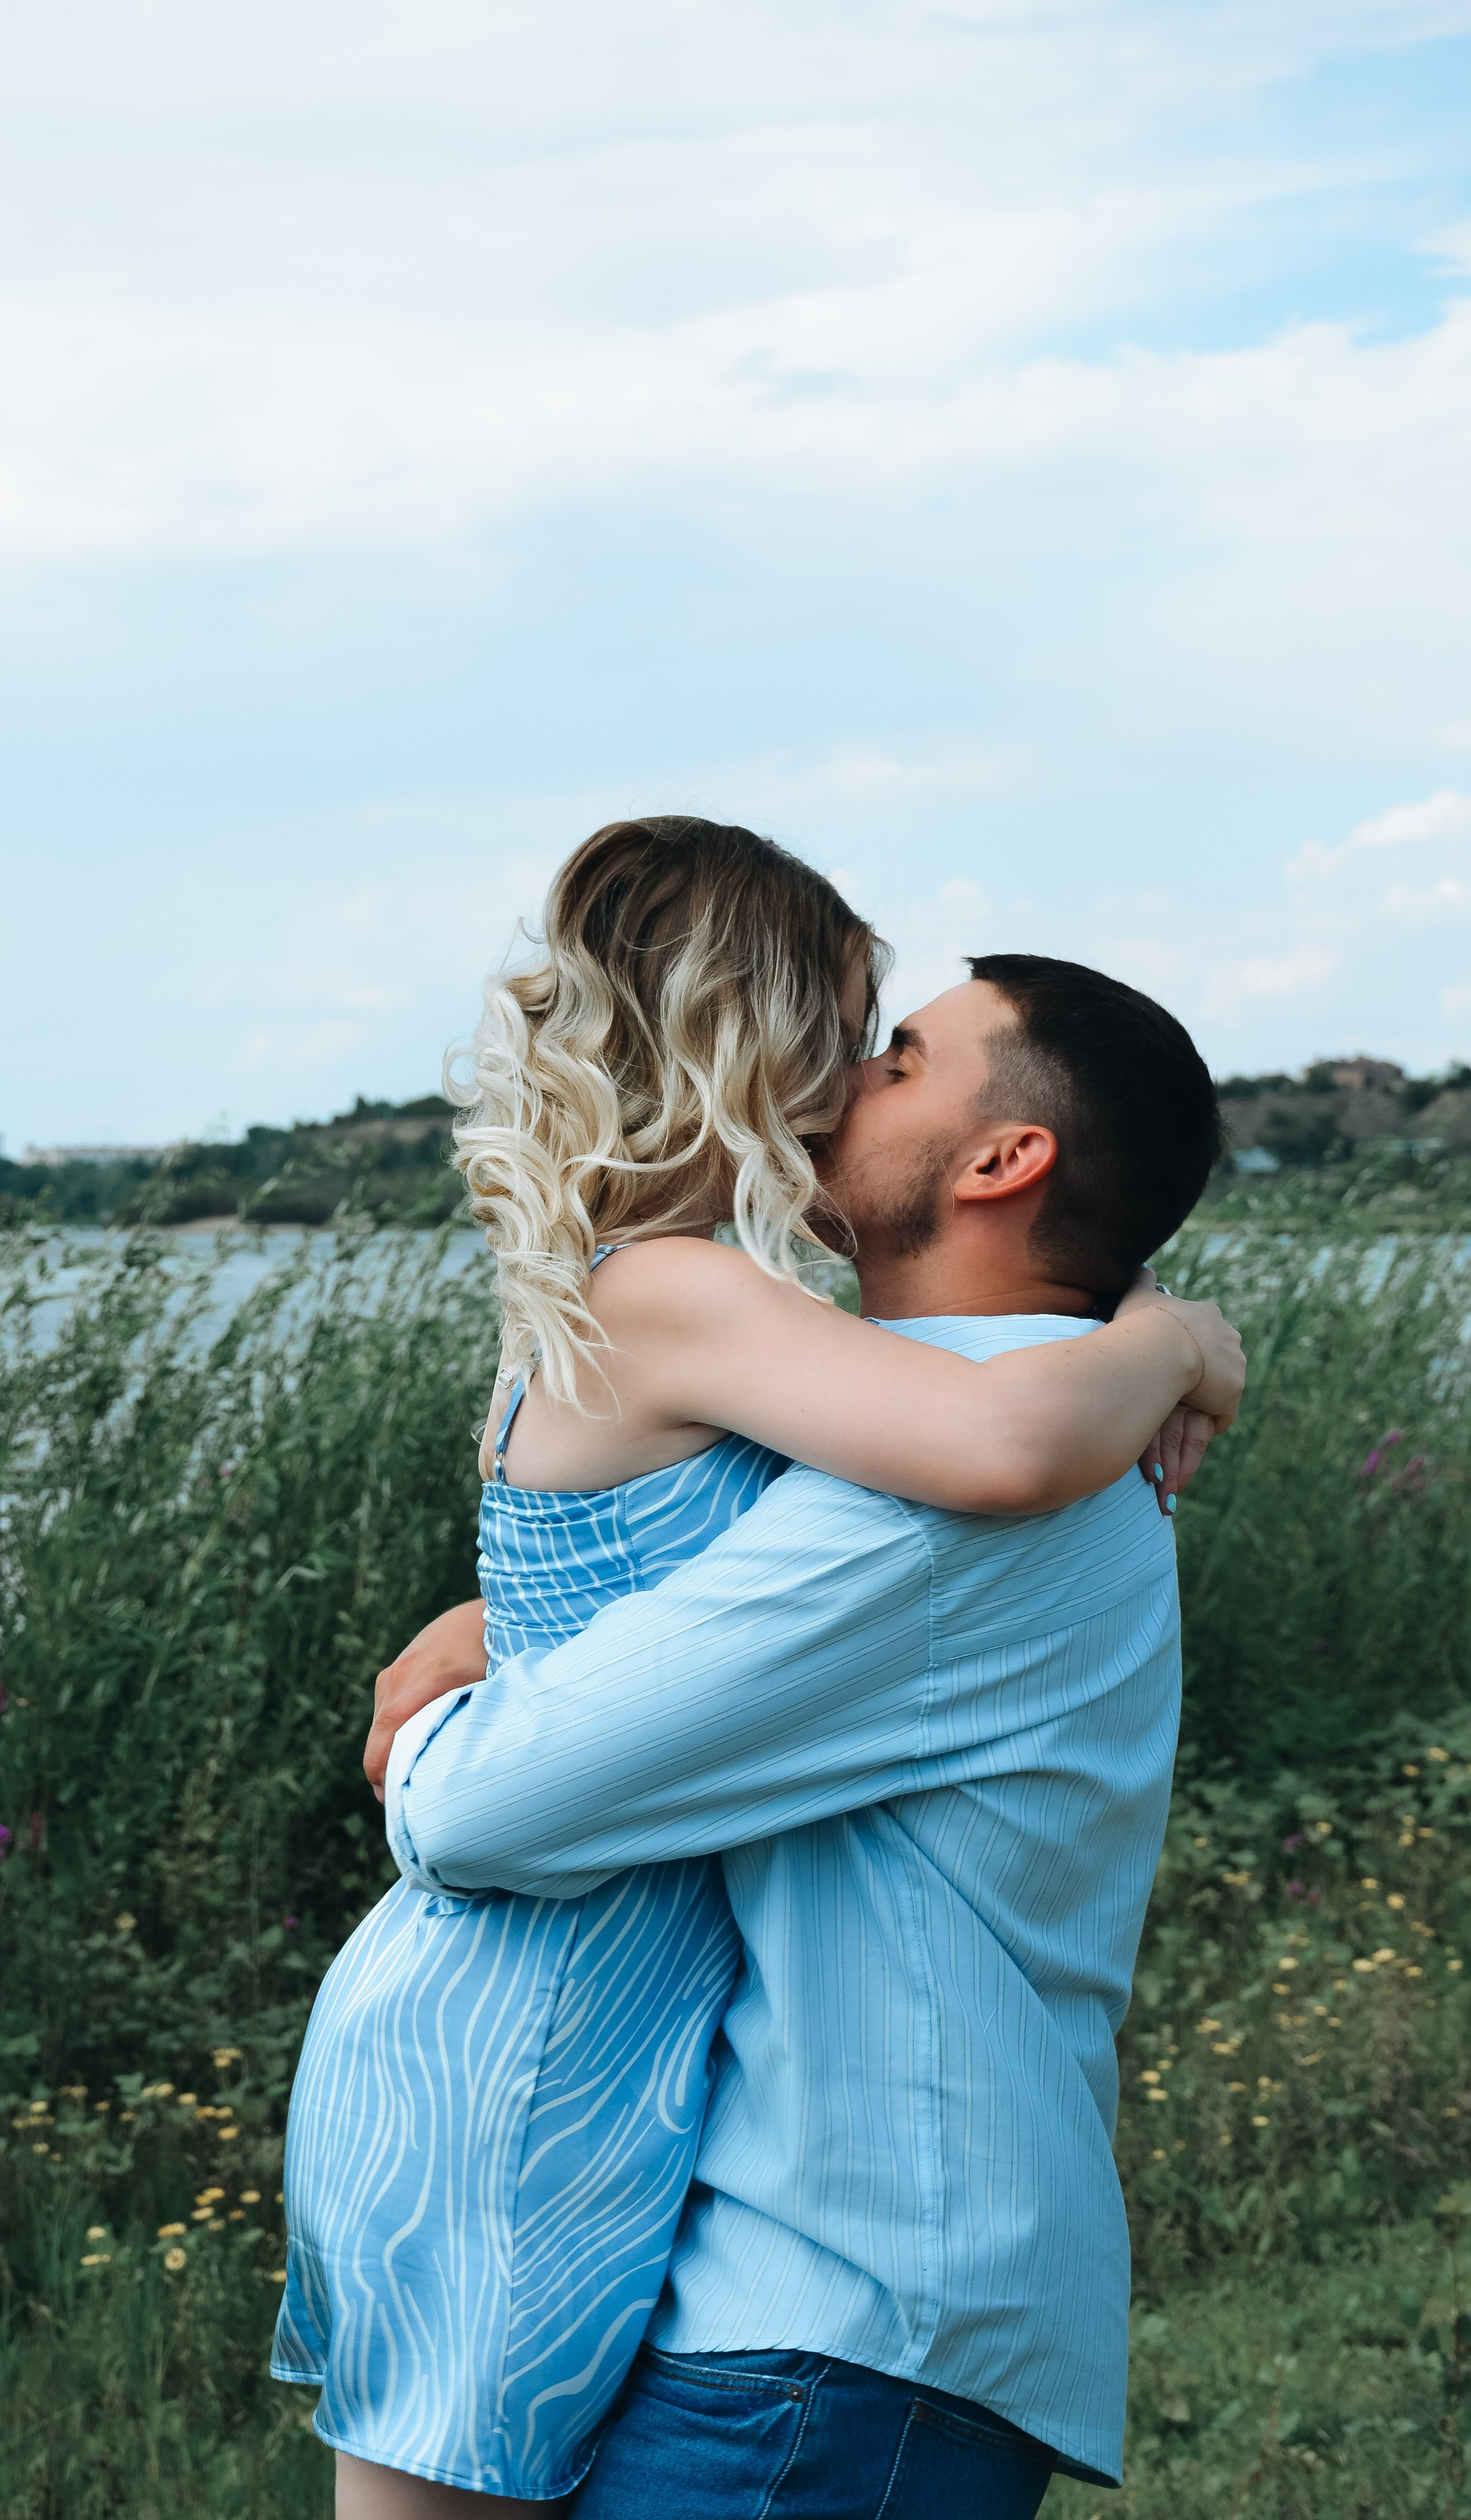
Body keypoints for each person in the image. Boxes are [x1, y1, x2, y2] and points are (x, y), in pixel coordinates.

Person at [274, 816, 1239, 2516]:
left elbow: (484, 1803)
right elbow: (772, 1569)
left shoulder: (951, 1482)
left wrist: (445, 1721)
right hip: (737, 2210)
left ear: (1002, 1160)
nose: (850, 1080)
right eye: (856, 1038)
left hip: (837, 2308)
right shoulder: (942, 1416)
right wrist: (1167, 1328)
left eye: (898, 1057)